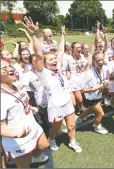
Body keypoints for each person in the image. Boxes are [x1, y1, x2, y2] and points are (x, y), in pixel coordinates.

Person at [23, 16, 82, 153]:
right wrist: (35, 35)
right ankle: (52, 139)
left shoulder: (59, 67)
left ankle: (73, 142)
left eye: (54, 58)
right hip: (55, 105)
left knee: (71, 125)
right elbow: (38, 54)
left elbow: (60, 50)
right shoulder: (43, 73)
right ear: (44, 63)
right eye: (50, 59)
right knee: (55, 128)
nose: (55, 60)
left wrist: (62, 35)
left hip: (66, 101)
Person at [1, 58, 49, 168]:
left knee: (44, 145)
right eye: (4, 69)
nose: (10, 69)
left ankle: (35, 157)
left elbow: (20, 103)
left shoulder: (17, 84)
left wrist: (30, 107)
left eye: (9, 66)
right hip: (18, 139)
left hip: (32, 126)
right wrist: (16, 134)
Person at [76, 51, 109, 134]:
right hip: (90, 98)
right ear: (94, 61)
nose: (101, 62)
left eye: (102, 59)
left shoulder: (104, 69)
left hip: (98, 96)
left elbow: (106, 77)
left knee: (90, 110)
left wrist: (105, 83)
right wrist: (95, 88)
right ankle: (97, 127)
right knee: (101, 114)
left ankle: (79, 119)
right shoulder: (89, 74)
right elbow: (81, 90)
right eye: (98, 60)